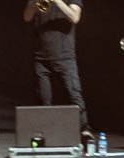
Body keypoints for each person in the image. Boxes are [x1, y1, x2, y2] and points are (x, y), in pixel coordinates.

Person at [23, 0, 93, 141]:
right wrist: (33, 4)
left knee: (74, 94)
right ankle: (43, 132)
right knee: (43, 98)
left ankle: (85, 129)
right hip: (41, 58)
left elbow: (74, 17)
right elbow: (27, 17)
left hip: (65, 56)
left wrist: (57, 1)